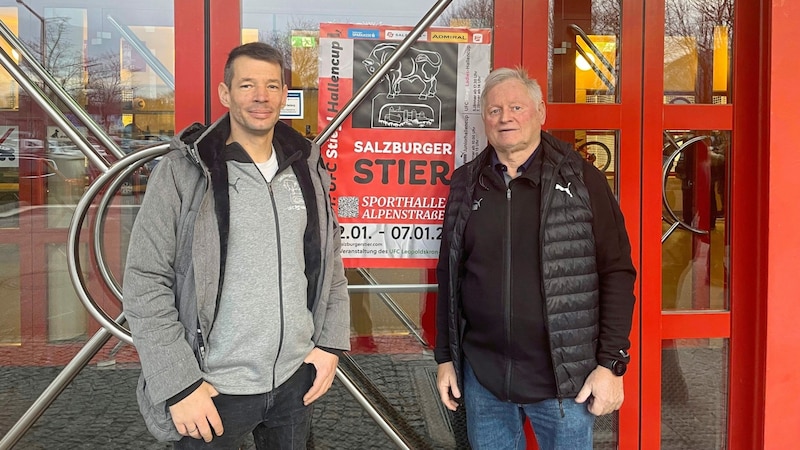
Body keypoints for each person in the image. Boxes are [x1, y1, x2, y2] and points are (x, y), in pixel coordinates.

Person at [122, 42, 350, 449]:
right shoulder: (184, 172)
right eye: (247, 85)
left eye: (272, 86)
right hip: (210, 390)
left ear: (284, 95)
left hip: (294, 381)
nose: (261, 97)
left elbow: (330, 263)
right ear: (226, 94)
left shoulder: (306, 166)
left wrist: (329, 344)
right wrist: (178, 384)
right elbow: (144, 280)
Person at [434, 67, 636, 450]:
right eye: (494, 110)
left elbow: (617, 272)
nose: (505, 117)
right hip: (484, 380)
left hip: (564, 383)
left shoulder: (582, 179)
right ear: (484, 120)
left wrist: (612, 364)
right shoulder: (465, 183)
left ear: (540, 112)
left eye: (515, 107)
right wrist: (446, 357)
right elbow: (451, 274)